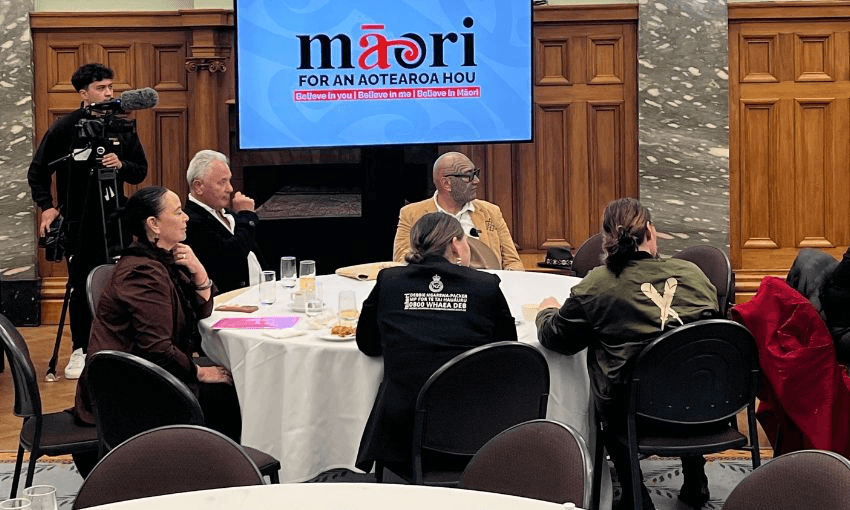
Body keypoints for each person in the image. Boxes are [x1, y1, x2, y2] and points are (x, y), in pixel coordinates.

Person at [535, 198, 718, 510]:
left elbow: (558, 340)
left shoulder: (597, 284)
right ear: (650, 231)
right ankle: (695, 479)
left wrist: (546, 312)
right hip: (706, 404)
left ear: (608, 240)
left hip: (635, 414)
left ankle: (635, 493)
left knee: (619, 379)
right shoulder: (694, 274)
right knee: (684, 367)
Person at [72, 186, 240, 474]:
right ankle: (209, 481)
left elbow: (198, 313)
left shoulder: (161, 260)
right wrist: (199, 372)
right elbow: (157, 349)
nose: (186, 217)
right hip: (128, 389)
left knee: (230, 383)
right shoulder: (142, 273)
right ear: (154, 225)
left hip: (147, 372)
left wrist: (199, 273)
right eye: (177, 212)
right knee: (231, 394)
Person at [356, 212, 518, 478]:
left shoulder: (390, 281)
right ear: (455, 244)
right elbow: (506, 349)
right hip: (474, 423)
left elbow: (369, 344)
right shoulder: (484, 285)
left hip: (402, 426)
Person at [28, 63, 148, 380]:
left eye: (110, 87)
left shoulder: (123, 126)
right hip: (79, 222)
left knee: (122, 282)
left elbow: (140, 170)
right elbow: (38, 171)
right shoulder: (64, 128)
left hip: (117, 219)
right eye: (100, 88)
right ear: (83, 93)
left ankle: (124, 346)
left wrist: (120, 163)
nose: (108, 93)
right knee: (81, 286)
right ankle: (81, 349)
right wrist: (48, 207)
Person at [392, 152, 524, 271]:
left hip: (482, 288)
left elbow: (513, 262)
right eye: (468, 176)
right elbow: (401, 262)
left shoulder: (491, 212)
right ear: (446, 183)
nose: (476, 181)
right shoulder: (411, 214)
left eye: (475, 174)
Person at [183, 150, 264, 293]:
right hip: (228, 301)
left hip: (260, 292)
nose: (230, 189)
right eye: (222, 182)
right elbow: (231, 258)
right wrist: (246, 216)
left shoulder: (229, 214)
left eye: (229, 180)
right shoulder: (191, 221)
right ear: (198, 186)